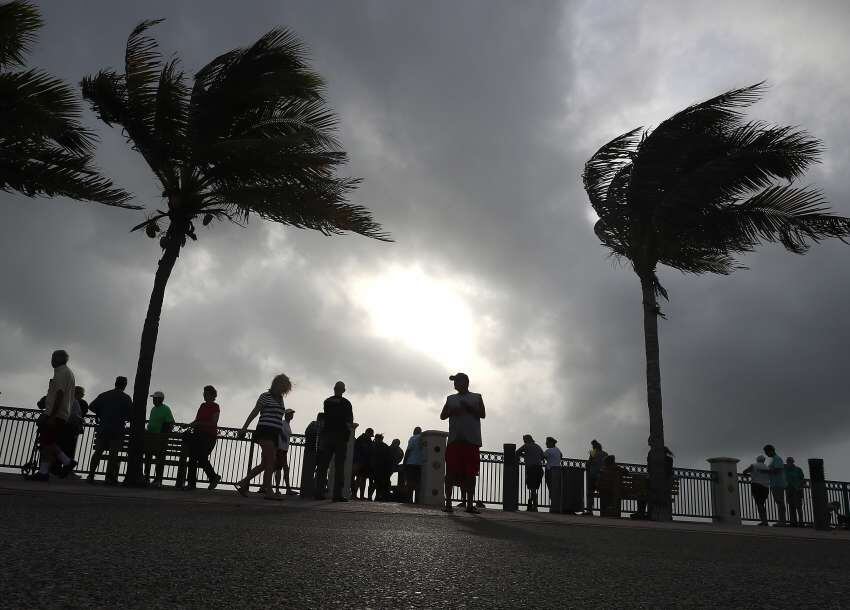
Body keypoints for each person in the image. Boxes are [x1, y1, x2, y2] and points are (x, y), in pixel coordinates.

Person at [236, 374, 291, 500]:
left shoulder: (280, 399)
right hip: (265, 431)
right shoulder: (265, 396)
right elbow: (255, 412)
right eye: (283, 387)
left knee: (265, 463)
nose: (284, 390)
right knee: (271, 460)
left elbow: (278, 417)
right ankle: (269, 491)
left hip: (274, 434)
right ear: (277, 384)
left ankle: (243, 483)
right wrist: (244, 427)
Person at [440, 372, 486, 514]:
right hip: (455, 440)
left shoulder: (477, 397)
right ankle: (448, 503)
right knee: (451, 473)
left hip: (471, 441)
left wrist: (469, 408)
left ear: (466, 382)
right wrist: (452, 410)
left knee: (470, 473)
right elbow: (442, 416)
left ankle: (470, 504)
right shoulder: (450, 399)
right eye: (454, 382)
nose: (455, 385)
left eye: (457, 381)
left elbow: (483, 414)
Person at [30, 350, 77, 481]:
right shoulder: (68, 373)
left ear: (58, 359)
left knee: (47, 441)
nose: (51, 360)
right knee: (48, 442)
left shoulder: (61, 373)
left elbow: (60, 394)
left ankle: (66, 462)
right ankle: (44, 472)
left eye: (53, 357)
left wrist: (51, 415)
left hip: (56, 414)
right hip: (61, 414)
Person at [87, 376, 131, 485]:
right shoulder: (126, 398)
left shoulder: (104, 395)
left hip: (104, 428)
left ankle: (91, 474)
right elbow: (131, 414)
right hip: (117, 429)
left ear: (115, 383)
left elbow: (91, 406)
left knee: (98, 452)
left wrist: (100, 413)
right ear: (125, 385)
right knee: (113, 454)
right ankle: (109, 478)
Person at [315, 381, 354, 501]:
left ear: (334, 388)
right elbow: (349, 421)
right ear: (343, 390)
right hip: (341, 437)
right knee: (339, 466)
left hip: (327, 436)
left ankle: (319, 493)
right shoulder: (346, 403)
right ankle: (337, 495)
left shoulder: (327, 401)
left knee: (323, 466)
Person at [182, 385, 221, 490]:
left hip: (208, 436)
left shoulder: (215, 406)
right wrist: (189, 425)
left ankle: (212, 477)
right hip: (197, 435)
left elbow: (213, 423)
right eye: (204, 393)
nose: (204, 395)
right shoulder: (202, 406)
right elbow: (197, 420)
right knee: (194, 458)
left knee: (200, 457)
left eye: (206, 393)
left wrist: (198, 424)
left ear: (212, 395)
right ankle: (193, 483)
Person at [144, 390, 175, 488]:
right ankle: (146, 477)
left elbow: (171, 423)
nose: (153, 400)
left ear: (160, 399)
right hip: (151, 436)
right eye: (153, 398)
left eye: (155, 398)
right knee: (148, 457)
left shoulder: (166, 409)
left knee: (159, 459)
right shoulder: (153, 409)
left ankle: (158, 479)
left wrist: (163, 435)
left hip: (160, 438)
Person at [272, 408, 297, 496]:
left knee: (278, 468)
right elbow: (278, 429)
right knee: (284, 468)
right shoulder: (283, 423)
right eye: (290, 414)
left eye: (292, 414)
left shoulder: (287, 424)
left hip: (284, 449)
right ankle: (287, 489)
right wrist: (282, 436)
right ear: (286, 415)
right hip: (280, 449)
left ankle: (277, 489)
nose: (291, 415)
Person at [516, 434, 545, 512]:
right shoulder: (538, 446)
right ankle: (532, 505)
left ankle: (534, 507)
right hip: (539, 469)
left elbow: (517, 452)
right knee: (534, 489)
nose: (524, 441)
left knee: (532, 489)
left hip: (532, 469)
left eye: (524, 439)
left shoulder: (526, 446)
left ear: (527, 439)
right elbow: (543, 456)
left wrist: (525, 456)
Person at [301, 412, 325, 498]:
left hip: (311, 450)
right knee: (320, 472)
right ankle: (315, 491)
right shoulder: (321, 426)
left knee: (309, 472)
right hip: (318, 451)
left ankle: (307, 491)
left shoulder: (312, 424)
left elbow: (307, 433)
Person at [743, 455, 771, 526]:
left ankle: (764, 521)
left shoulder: (754, 465)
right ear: (764, 460)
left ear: (757, 459)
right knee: (762, 503)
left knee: (759, 503)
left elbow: (745, 471)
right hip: (766, 487)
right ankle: (765, 520)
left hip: (756, 485)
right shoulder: (767, 467)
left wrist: (746, 477)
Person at [582, 439, 608, 515]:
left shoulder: (593, 452)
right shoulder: (605, 454)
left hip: (593, 475)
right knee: (603, 493)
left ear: (594, 446)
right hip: (602, 476)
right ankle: (604, 510)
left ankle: (589, 510)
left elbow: (588, 463)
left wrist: (588, 464)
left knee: (590, 493)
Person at [764, 444, 787, 526]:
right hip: (775, 483)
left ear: (770, 451)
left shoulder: (777, 459)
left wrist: (766, 471)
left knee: (780, 502)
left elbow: (778, 470)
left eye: (766, 452)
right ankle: (781, 520)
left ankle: (782, 521)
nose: (766, 454)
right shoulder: (774, 459)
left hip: (778, 483)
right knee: (779, 502)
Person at [352, 427, 374, 500]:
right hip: (360, 462)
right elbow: (359, 451)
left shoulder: (365, 439)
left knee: (363, 479)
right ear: (368, 433)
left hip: (365, 462)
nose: (371, 437)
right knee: (359, 479)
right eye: (370, 435)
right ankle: (354, 495)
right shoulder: (361, 439)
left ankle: (360, 496)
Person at [403, 427, 424, 503]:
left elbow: (408, 450)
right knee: (418, 482)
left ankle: (409, 499)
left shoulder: (413, 438)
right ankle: (417, 499)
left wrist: (404, 462)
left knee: (410, 482)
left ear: (414, 431)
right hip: (420, 464)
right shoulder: (423, 439)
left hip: (411, 463)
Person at [784, 457, 805, 527]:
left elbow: (802, 479)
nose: (788, 463)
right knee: (791, 506)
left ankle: (801, 522)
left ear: (792, 462)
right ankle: (793, 522)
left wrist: (799, 486)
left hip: (797, 490)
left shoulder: (798, 469)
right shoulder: (785, 470)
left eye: (789, 462)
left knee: (798, 507)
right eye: (787, 462)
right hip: (789, 489)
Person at [370, 433, 391, 501]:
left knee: (376, 483)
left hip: (378, 468)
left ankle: (375, 497)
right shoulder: (385, 447)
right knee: (379, 483)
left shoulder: (374, 446)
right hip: (381, 468)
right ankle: (378, 497)